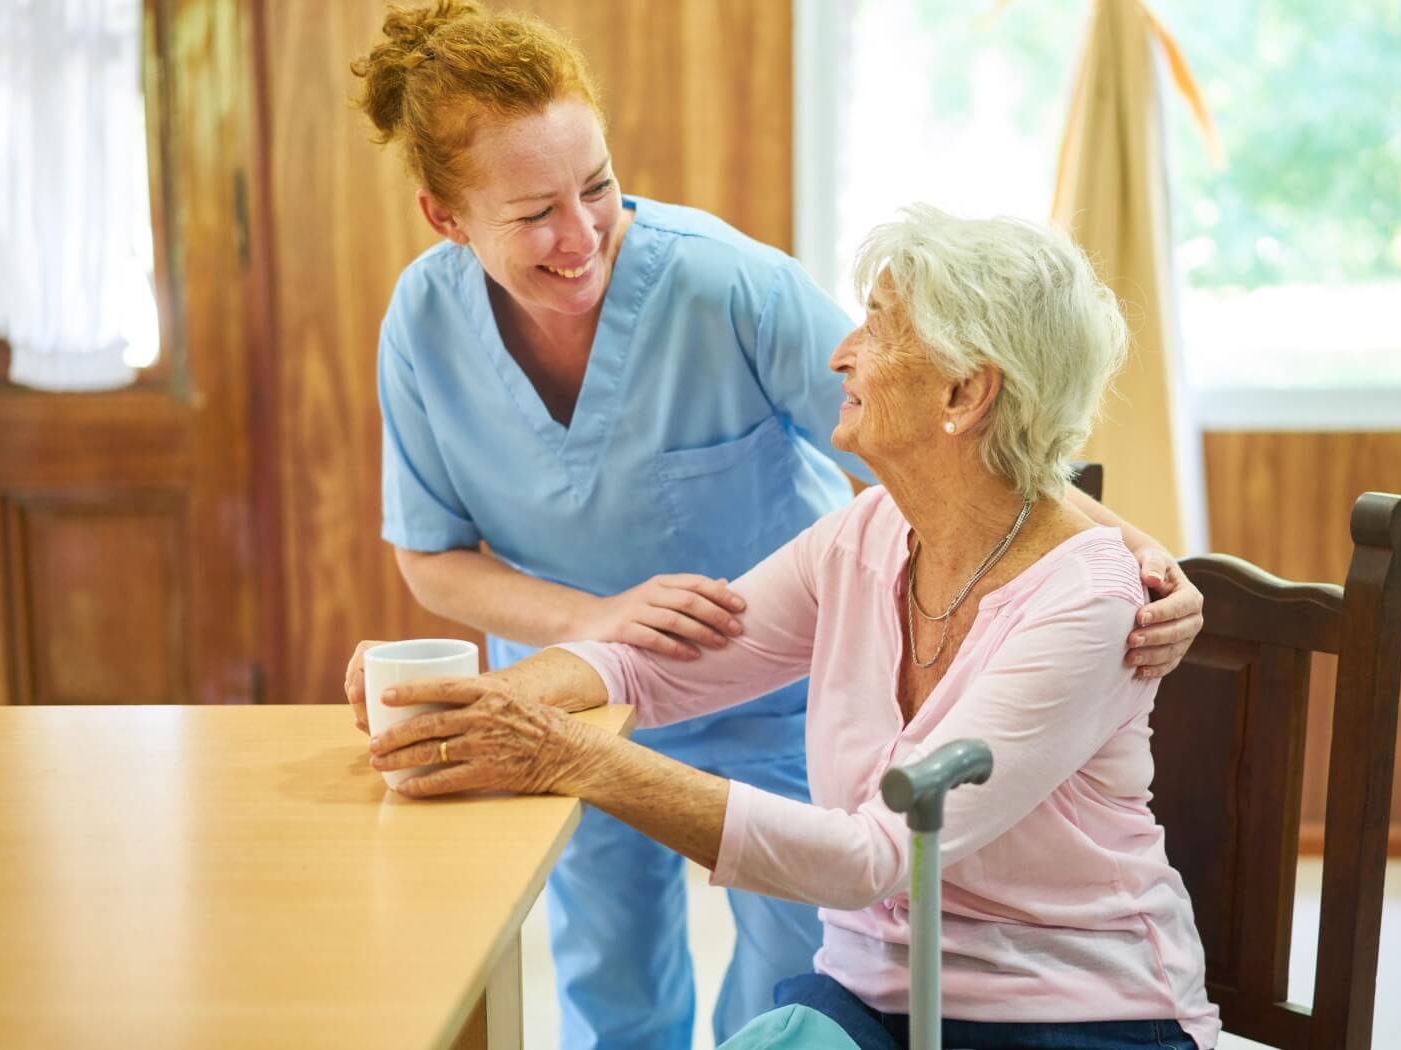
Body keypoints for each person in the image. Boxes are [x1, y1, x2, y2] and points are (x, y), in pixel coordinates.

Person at [347, 4, 1206, 1047]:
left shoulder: (723, 285)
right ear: (446, 218)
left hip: (841, 783)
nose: (581, 237)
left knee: (782, 977)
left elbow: (999, 458)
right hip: (625, 702)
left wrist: (1136, 553)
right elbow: (611, 653)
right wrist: (464, 703)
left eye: (598, 188)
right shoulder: (857, 542)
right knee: (613, 992)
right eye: (533, 213)